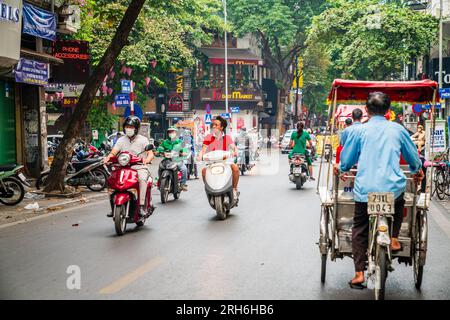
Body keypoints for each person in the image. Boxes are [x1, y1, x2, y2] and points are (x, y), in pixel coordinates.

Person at [333, 92, 424, 289]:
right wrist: (418, 170)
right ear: (389, 111)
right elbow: (413, 157)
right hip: (393, 188)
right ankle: (393, 237)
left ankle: (358, 274)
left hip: (365, 189)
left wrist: (341, 168)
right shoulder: (398, 130)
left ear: (366, 111)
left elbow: (346, 161)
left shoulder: (358, 132)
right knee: (399, 202)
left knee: (360, 227)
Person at [103, 116, 154, 217]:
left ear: (136, 128)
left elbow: (150, 154)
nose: (128, 129)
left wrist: (147, 160)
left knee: (142, 179)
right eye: (127, 126)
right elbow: (113, 152)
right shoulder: (121, 140)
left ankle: (141, 206)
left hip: (139, 167)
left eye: (131, 127)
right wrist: (108, 158)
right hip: (123, 167)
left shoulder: (143, 140)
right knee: (111, 180)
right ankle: (113, 207)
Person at [197, 116, 240, 201]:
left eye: (216, 125)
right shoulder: (208, 137)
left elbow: (234, 148)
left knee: (235, 168)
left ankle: (234, 189)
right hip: (212, 162)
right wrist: (199, 156)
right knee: (203, 171)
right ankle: (210, 192)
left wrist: (235, 151)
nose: (214, 126)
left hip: (225, 161)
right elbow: (203, 149)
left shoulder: (227, 138)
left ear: (221, 127)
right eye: (213, 125)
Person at [156, 126, 189, 191]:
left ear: (176, 133)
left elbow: (185, 150)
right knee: (160, 167)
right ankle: (160, 182)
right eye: (170, 132)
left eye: (173, 132)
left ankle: (183, 184)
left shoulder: (180, 142)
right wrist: (157, 152)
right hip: (166, 160)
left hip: (177, 160)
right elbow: (160, 149)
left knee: (184, 169)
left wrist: (183, 153)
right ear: (168, 133)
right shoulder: (164, 142)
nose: (171, 133)